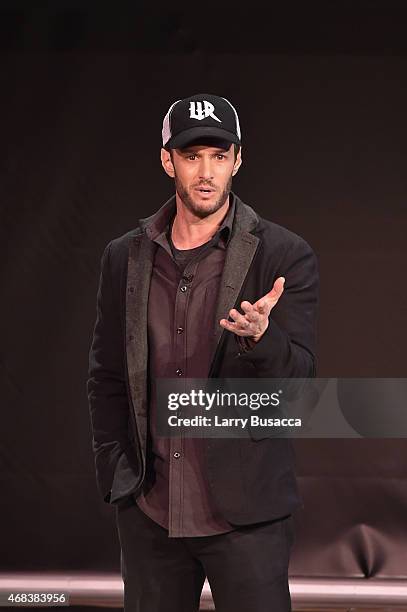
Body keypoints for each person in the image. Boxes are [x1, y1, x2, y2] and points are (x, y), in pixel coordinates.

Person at [87, 93, 319, 612]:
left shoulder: (282, 253)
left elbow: (301, 387)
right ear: (168, 160)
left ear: (238, 160)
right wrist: (119, 476)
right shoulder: (124, 257)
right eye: (192, 156)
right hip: (151, 512)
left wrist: (263, 337)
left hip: (246, 518)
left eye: (219, 155)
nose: (206, 172)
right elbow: (105, 375)